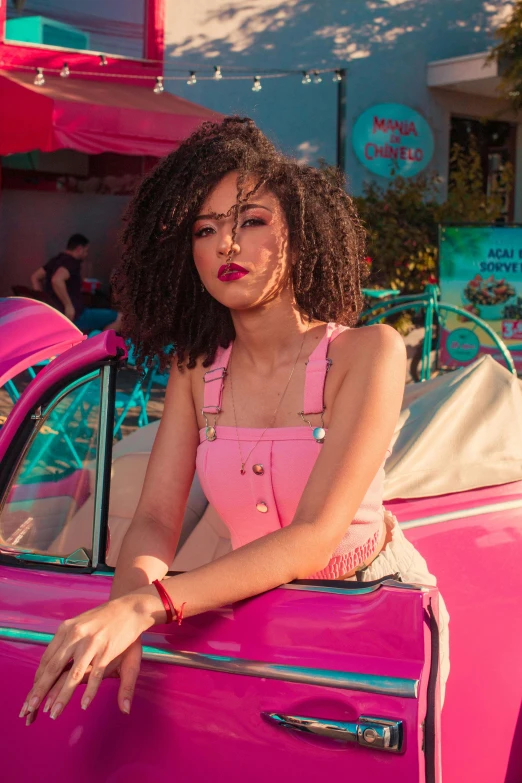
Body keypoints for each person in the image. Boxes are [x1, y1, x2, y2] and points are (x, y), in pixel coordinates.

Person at [20, 117, 449, 726]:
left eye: (251, 221)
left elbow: (315, 534)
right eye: (206, 228)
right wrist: (122, 613)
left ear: (300, 236)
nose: (226, 244)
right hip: (254, 610)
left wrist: (146, 606)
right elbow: (153, 519)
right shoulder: (197, 369)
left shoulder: (369, 351)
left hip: (371, 606)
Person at [31, 233, 122, 333]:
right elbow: (57, 280)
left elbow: (35, 277)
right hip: (75, 316)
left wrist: (41, 302)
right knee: (121, 318)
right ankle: (97, 345)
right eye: (86, 251)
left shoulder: (55, 260)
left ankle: (96, 341)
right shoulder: (71, 262)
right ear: (79, 249)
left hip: (56, 315)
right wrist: (68, 306)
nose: (86, 254)